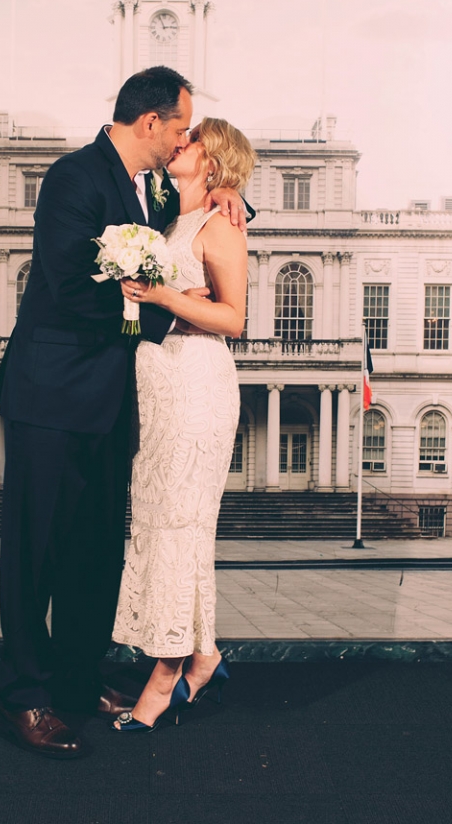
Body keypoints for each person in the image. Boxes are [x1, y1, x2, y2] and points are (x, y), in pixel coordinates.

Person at [0, 68, 248, 759]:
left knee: (94, 553)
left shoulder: (158, 190)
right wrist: (163, 316)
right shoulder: (75, 178)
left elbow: (200, 234)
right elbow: (69, 284)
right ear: (150, 123)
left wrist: (228, 192)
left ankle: (75, 681)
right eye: (181, 127)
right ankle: (26, 695)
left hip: (117, 400)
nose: (184, 140)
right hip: (51, 394)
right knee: (35, 553)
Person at [111, 117, 255, 732]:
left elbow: (234, 318)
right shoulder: (172, 216)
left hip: (197, 384)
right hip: (159, 386)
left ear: (212, 158)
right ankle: (203, 655)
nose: (179, 143)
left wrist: (162, 296)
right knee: (163, 519)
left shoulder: (221, 224)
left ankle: (166, 674)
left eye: (192, 139)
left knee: (179, 522)